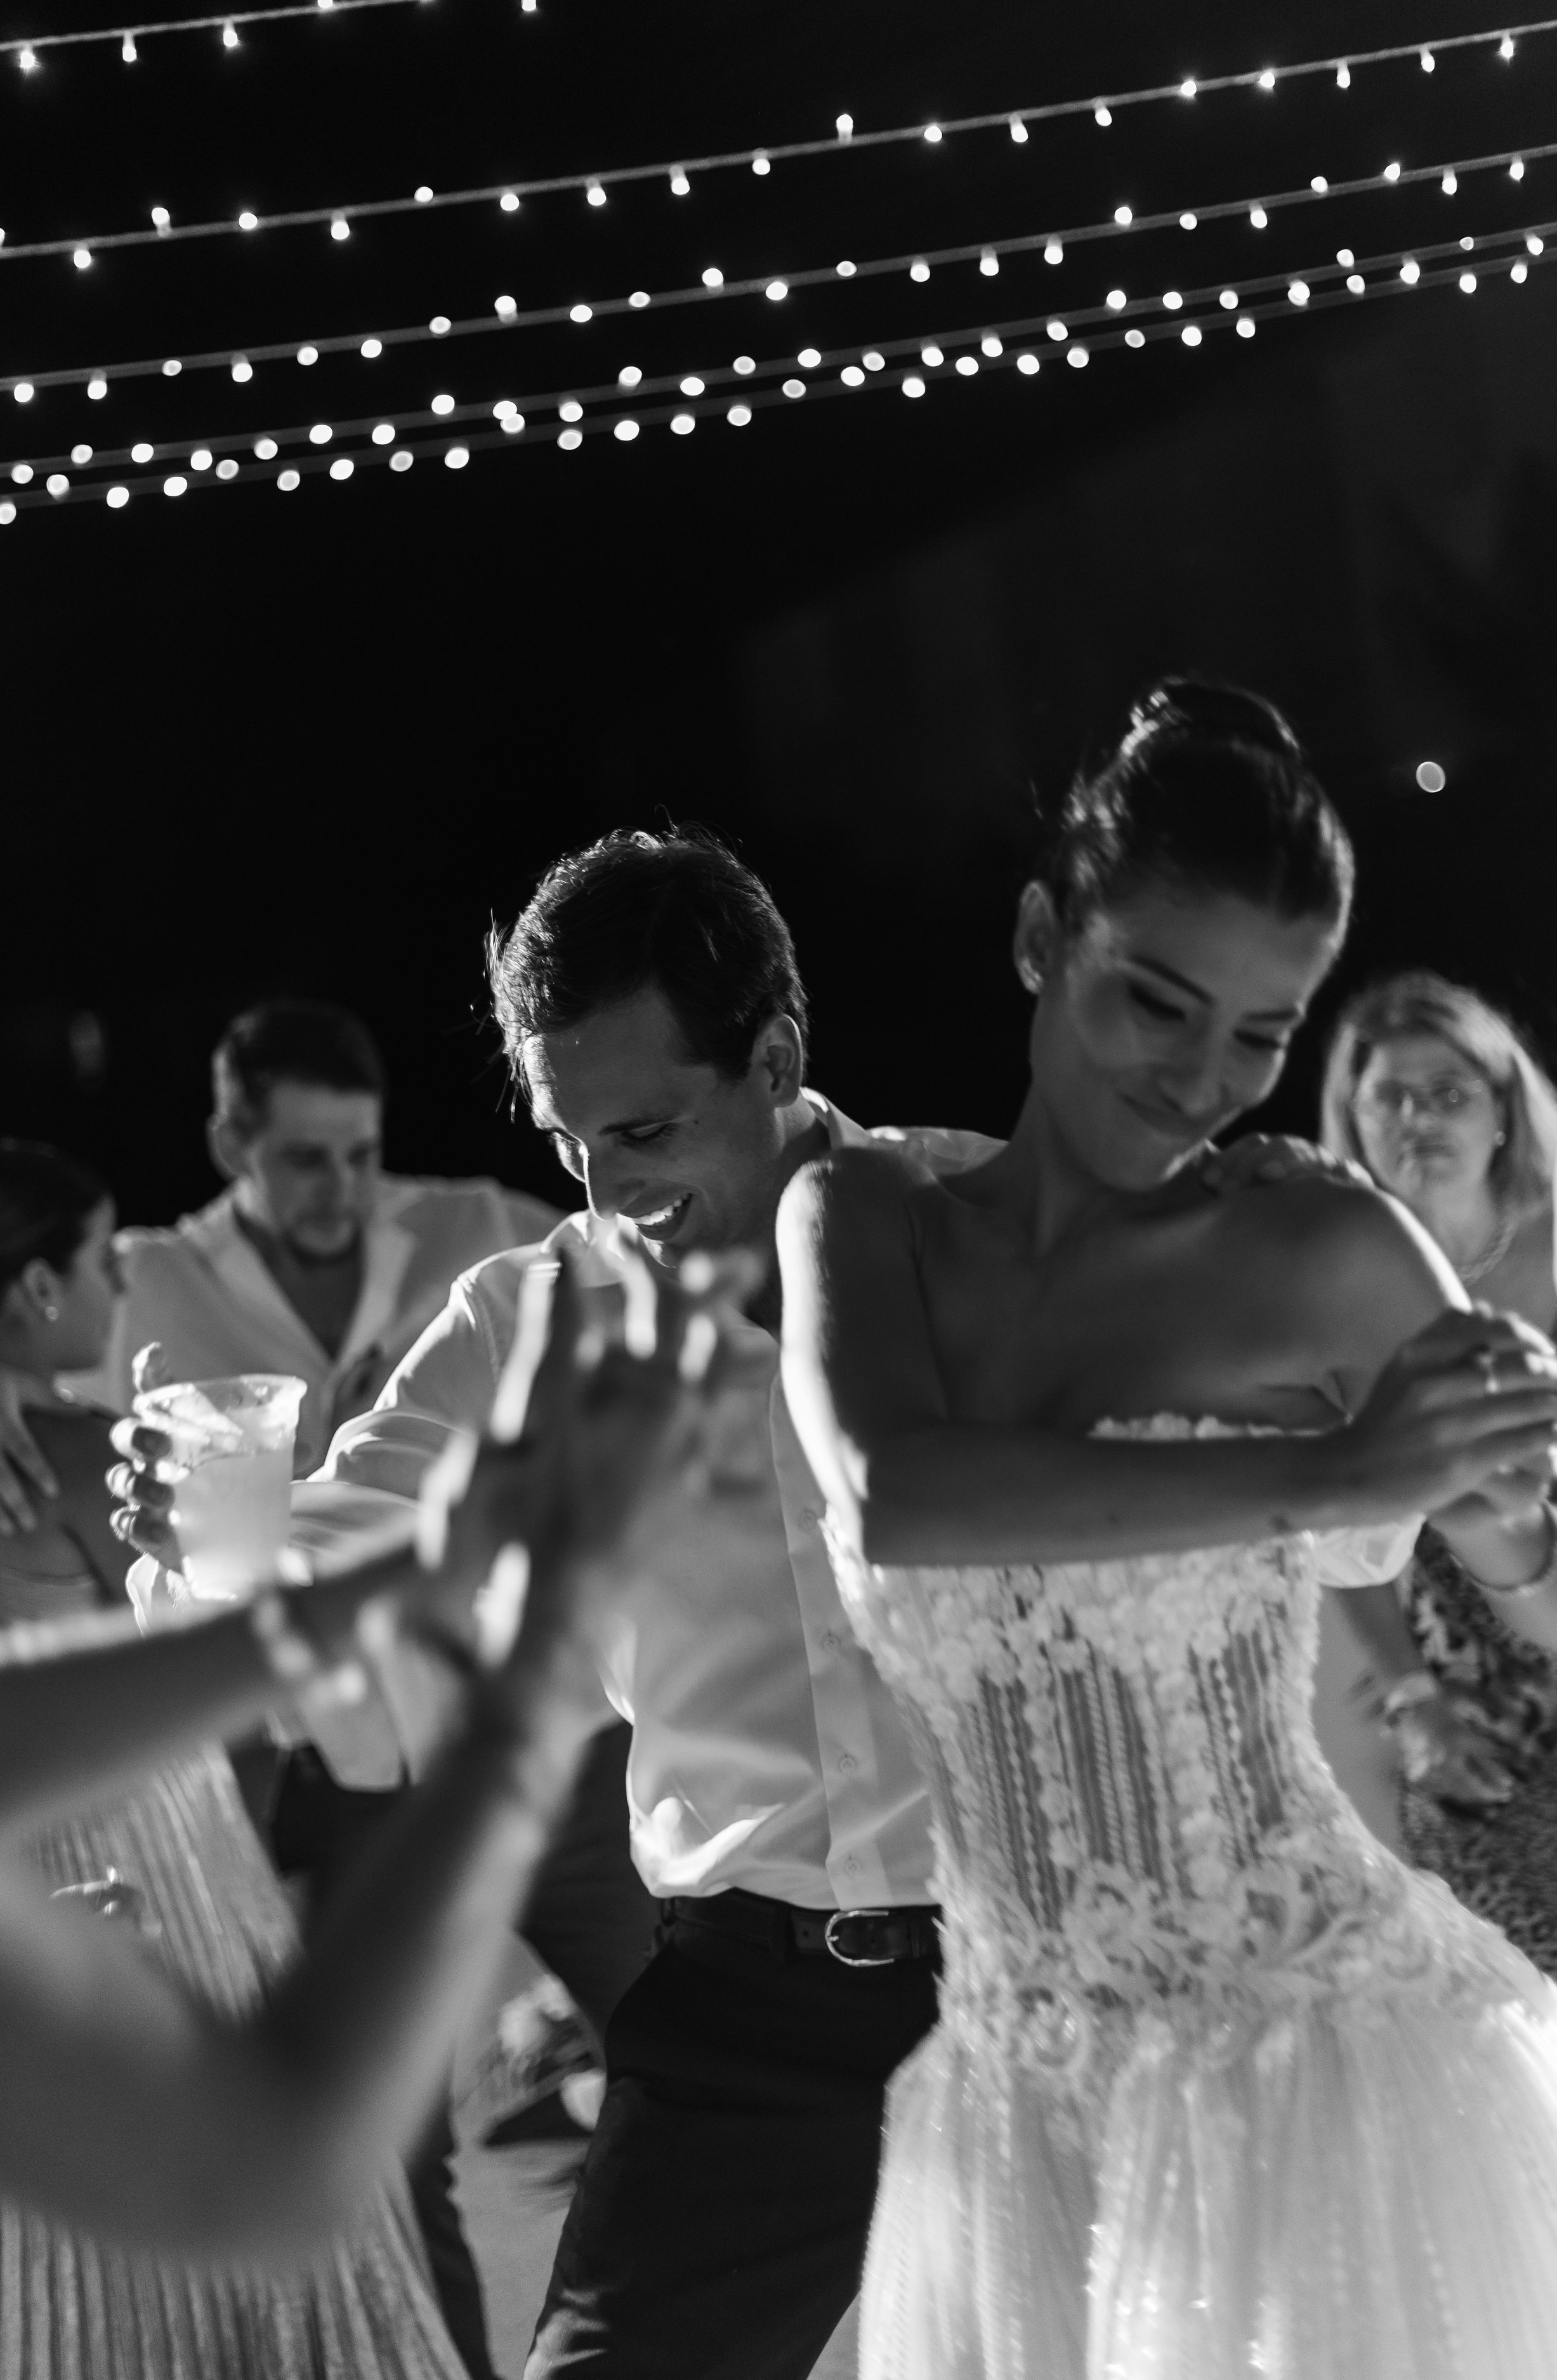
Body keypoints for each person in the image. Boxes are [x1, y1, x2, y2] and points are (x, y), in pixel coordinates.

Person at [116, 828, 1553, 2380]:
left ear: (777, 1053)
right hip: (745, 2021)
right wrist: (194, 1535)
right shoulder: (524, 1317)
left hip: (1053, 1981)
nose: (608, 1192)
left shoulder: (975, 1228)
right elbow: (323, 1542)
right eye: (568, 1140)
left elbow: (1333, 1537)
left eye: (648, 1127)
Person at [778, 681, 1557, 2380]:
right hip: (1010, 2102)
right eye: (1157, 1000)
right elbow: (897, 1496)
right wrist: (1326, 1480)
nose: (1201, 1075)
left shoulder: (1309, 1248)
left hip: (1312, 2067)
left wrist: (1507, 1467)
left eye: (1262, 1035)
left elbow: (1522, 1559)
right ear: (1040, 934)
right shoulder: (868, 1215)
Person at [0, 1142, 736, 2350]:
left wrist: (405, 1561)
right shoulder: (115, 1358)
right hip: (284, 1809)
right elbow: (266, 2171)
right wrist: (525, 1672)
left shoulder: (486, 1240)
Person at [1322, 972, 1557, 1969]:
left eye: (1449, 1092)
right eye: (1390, 1096)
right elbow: (1338, 1530)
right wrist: (1414, 1694)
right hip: (1451, 1666)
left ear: (1506, 1109)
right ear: (1355, 1120)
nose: (1419, 1118)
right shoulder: (1333, 1279)